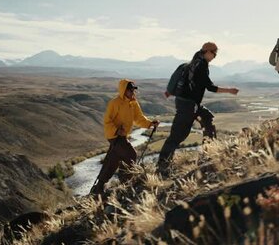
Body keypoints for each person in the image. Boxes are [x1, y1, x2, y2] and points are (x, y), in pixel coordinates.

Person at [156, 42, 239, 175]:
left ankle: (209, 151)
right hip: (187, 106)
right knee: (178, 136)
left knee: (207, 118)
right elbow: (210, 87)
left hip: (190, 104)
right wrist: (230, 91)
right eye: (214, 53)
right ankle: (162, 166)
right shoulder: (200, 65)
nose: (215, 56)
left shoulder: (193, 63)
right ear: (207, 52)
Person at [90, 80, 159, 195]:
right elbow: (107, 121)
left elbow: (139, 118)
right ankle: (125, 183)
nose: (132, 92)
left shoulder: (133, 103)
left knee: (113, 160)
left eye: (133, 90)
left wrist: (150, 124)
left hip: (123, 136)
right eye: (130, 90)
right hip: (114, 136)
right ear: (123, 90)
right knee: (131, 154)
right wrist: (117, 130)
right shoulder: (115, 103)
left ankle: (99, 186)